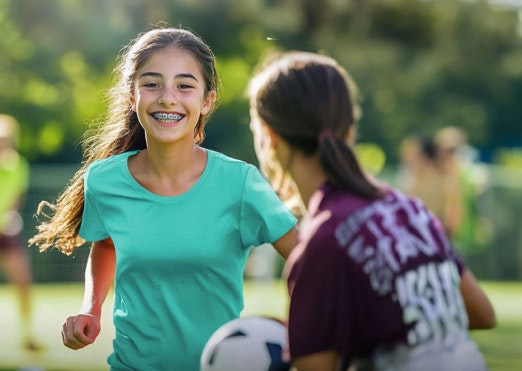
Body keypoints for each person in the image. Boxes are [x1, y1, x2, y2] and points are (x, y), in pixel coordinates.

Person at [29, 25, 298, 371]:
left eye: (185, 85)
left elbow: (306, 259)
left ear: (206, 100)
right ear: (132, 95)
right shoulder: (104, 180)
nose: (168, 97)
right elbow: (108, 244)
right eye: (152, 84)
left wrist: (296, 331)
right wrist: (90, 309)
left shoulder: (240, 183)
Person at [247, 51, 496, 371]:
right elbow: (480, 313)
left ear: (269, 136)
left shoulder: (321, 242)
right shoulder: (408, 211)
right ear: (350, 128)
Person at [0, 114, 41, 351]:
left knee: (22, 281)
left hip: (7, 231)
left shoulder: (17, 164)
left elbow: (16, 200)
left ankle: (28, 334)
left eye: (5, 139)